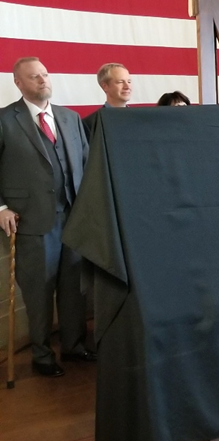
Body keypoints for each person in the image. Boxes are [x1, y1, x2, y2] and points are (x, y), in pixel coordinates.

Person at [0, 57, 93, 377]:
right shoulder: (4, 120)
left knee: (73, 288)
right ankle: (41, 355)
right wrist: (1, 208)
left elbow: (88, 166)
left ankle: (74, 345)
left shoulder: (70, 118)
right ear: (18, 83)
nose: (42, 80)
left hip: (75, 218)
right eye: (33, 76)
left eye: (45, 74)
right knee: (38, 292)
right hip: (31, 221)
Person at [83, 63, 132, 137]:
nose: (127, 86)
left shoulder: (141, 120)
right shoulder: (90, 124)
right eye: (120, 82)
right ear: (105, 86)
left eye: (129, 82)